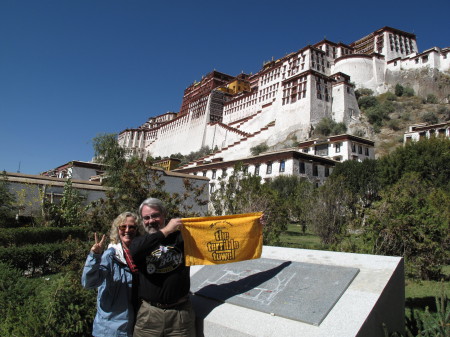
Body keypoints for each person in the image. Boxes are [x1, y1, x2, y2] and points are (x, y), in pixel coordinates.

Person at [130, 197, 195, 337]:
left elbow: (211, 232)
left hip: (180, 315)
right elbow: (134, 253)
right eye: (146, 217)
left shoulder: (182, 237)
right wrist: (165, 231)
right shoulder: (140, 242)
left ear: (164, 214)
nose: (151, 221)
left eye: (155, 215)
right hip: (149, 316)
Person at [82, 211, 140, 337]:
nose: (127, 230)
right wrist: (94, 256)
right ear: (117, 230)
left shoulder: (141, 255)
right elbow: (89, 282)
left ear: (137, 230)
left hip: (135, 326)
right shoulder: (110, 256)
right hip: (109, 329)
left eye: (132, 227)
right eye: (123, 227)